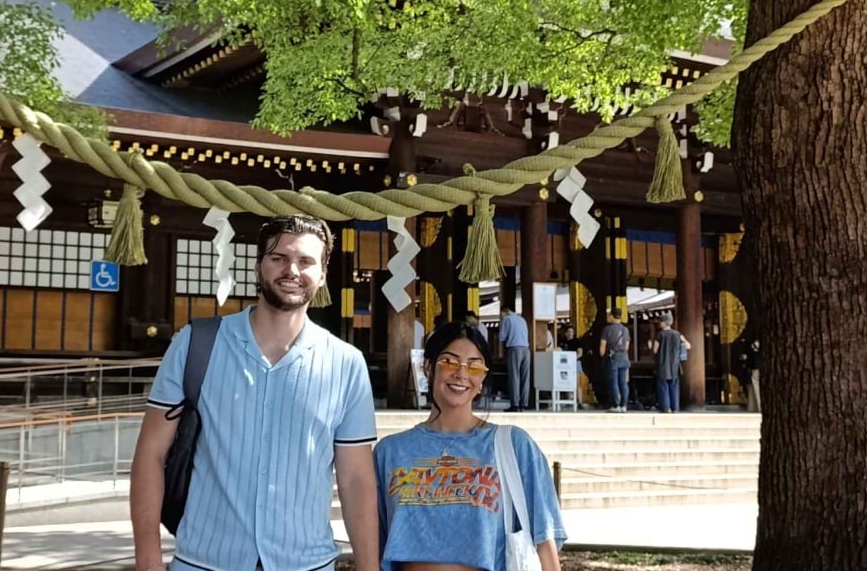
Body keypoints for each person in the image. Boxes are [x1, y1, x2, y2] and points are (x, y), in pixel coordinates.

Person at [130, 216, 379, 571]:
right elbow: (151, 453)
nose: (292, 270)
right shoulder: (196, 344)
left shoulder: (346, 363)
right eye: (278, 258)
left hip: (306, 562)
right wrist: (148, 559)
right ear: (258, 265)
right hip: (204, 560)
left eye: (306, 261)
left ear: (322, 274)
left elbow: (355, 478)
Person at [375, 322, 567, 571]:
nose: (461, 374)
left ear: (483, 377)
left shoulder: (514, 446)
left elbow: (544, 541)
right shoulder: (390, 452)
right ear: (428, 367)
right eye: (450, 362)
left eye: (474, 366)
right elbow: (373, 544)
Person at [649, 314, 689, 413]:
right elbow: (688, 345)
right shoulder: (678, 334)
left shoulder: (660, 335)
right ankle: (675, 407)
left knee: (663, 386)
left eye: (661, 322)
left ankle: (666, 407)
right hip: (674, 364)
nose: (659, 323)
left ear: (664, 323)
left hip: (662, 364)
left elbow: (655, 350)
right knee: (674, 386)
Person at [498, 305, 531, 412]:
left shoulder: (507, 319)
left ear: (504, 312)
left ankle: (515, 404)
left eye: (501, 314)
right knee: (525, 377)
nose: (500, 316)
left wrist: (501, 324)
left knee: (514, 376)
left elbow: (501, 337)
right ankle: (524, 404)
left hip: (514, 348)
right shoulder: (522, 319)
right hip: (526, 349)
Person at [599, 310, 632, 412]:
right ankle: (624, 405)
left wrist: (603, 355)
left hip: (613, 358)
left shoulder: (607, 329)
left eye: (609, 315)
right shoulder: (625, 329)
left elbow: (602, 347)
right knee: (623, 382)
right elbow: (627, 347)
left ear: (612, 316)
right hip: (624, 357)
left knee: (613, 382)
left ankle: (615, 404)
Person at [741, 339, 761, 413]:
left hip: (755, 371)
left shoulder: (753, 354)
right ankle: (756, 406)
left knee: (755, 389)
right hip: (754, 371)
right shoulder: (753, 354)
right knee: (755, 389)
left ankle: (756, 406)